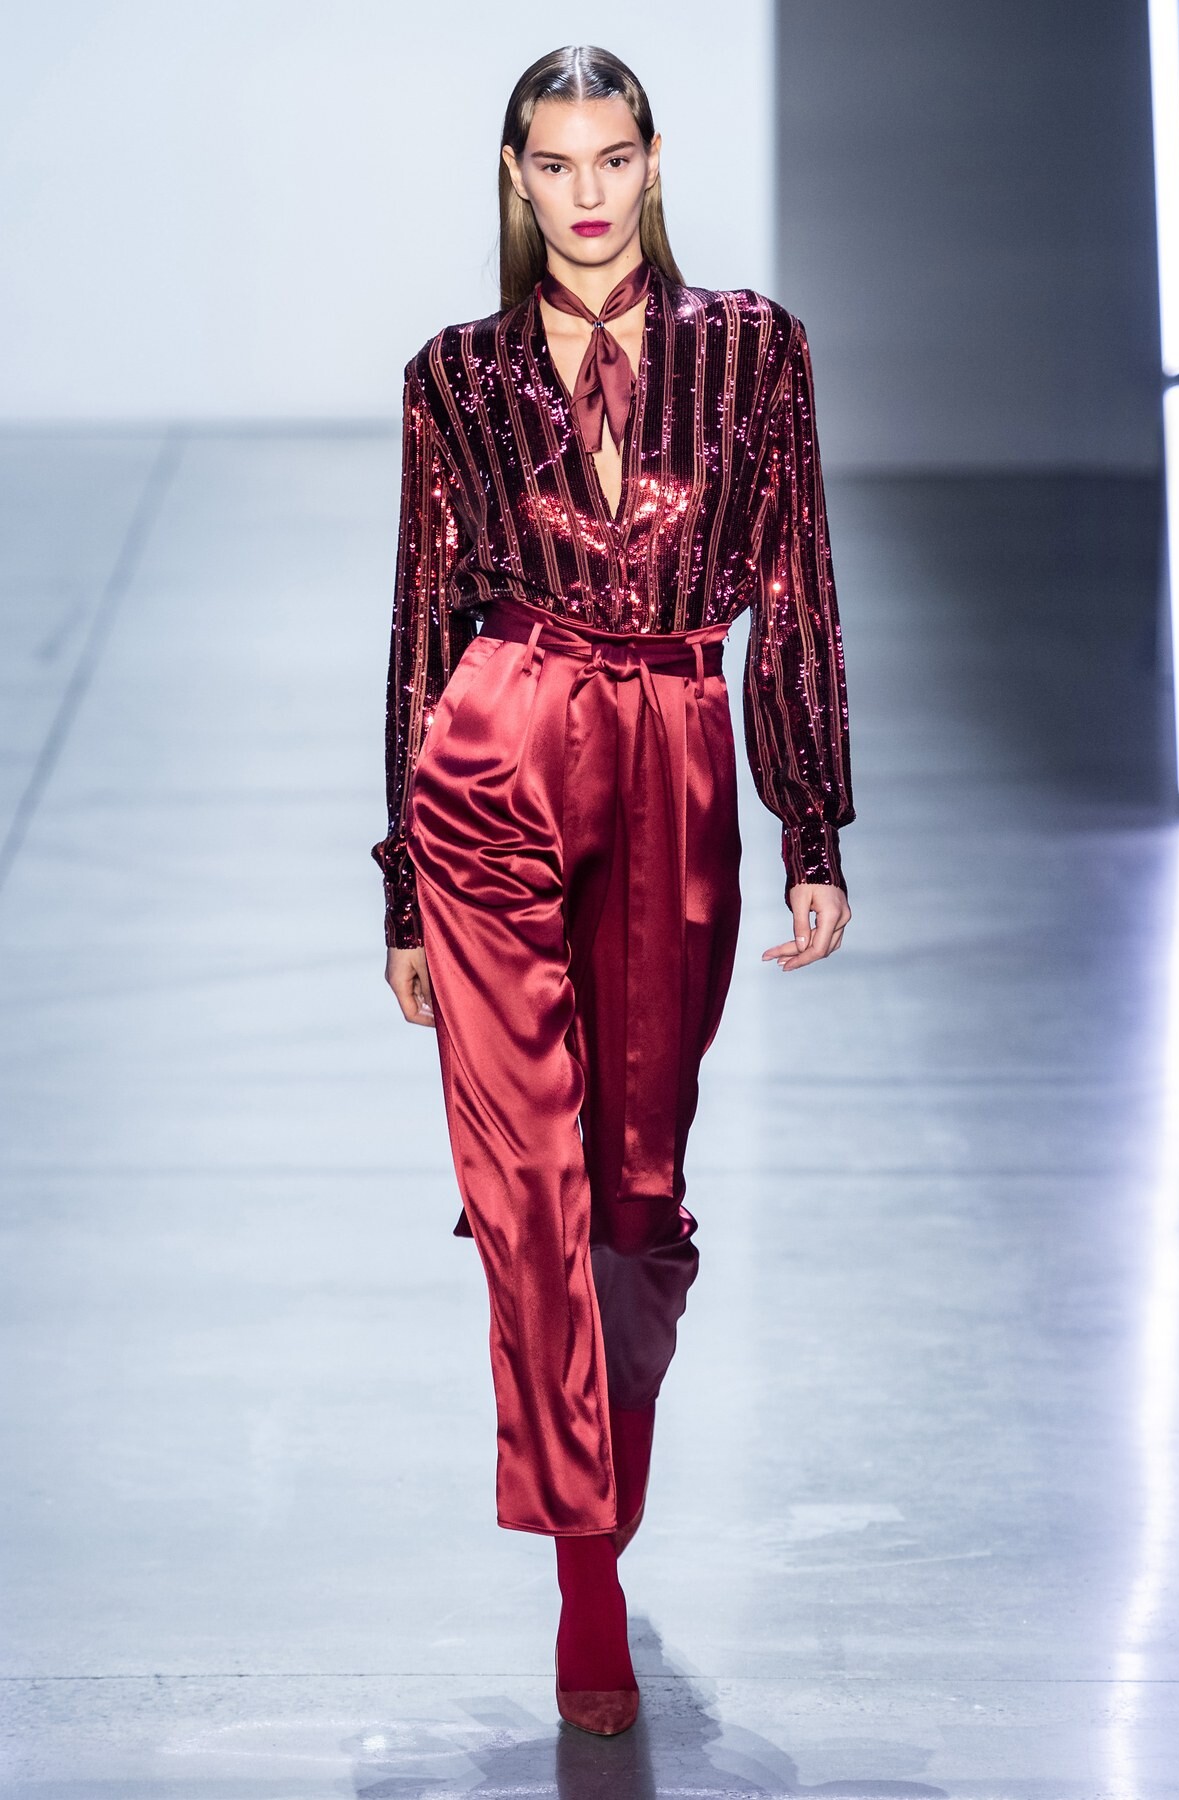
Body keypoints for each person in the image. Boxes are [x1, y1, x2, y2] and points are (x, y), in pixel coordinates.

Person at [371, 43, 854, 1737]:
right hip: (495, 756)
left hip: (671, 749)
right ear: (516, 177)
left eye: (613, 158)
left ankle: (602, 1512)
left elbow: (796, 590)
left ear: (653, 162)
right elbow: (422, 628)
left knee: (635, 1188)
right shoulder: (454, 378)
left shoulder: (756, 351)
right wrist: (401, 892)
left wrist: (811, 826)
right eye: (554, 164)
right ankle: (588, 1577)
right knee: (527, 1187)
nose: (586, 194)